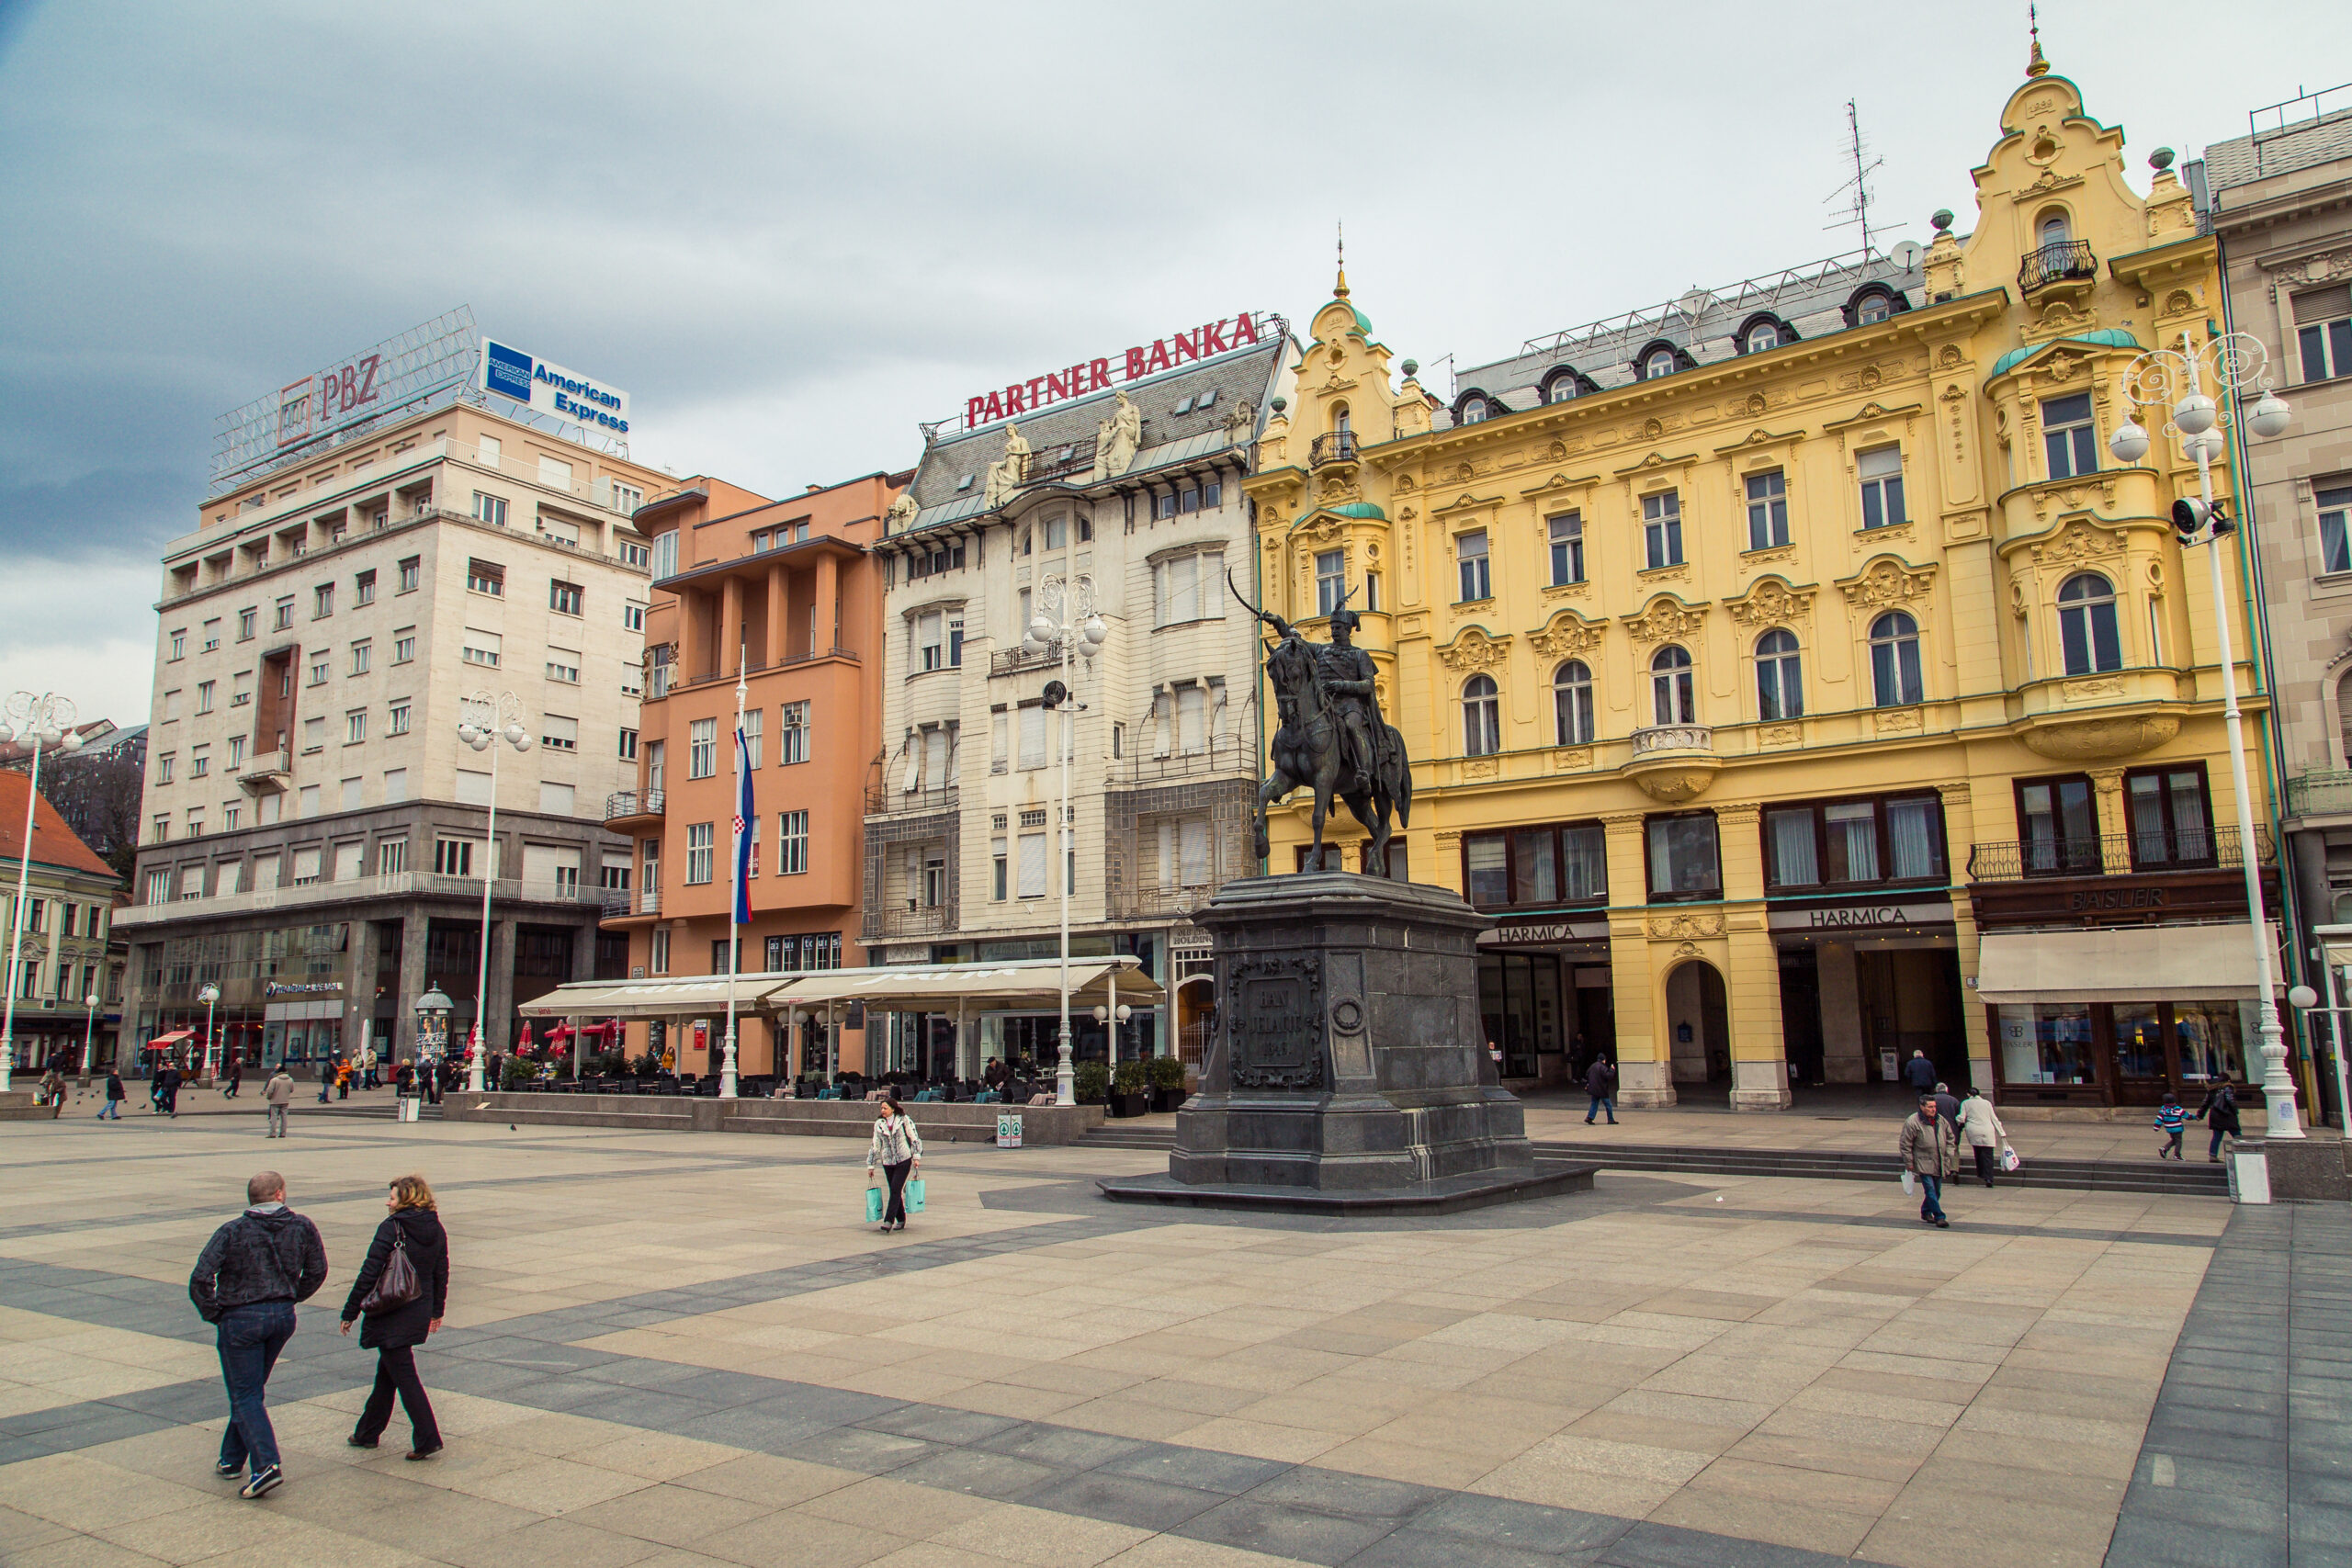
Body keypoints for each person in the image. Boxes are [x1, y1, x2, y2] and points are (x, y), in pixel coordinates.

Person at [187, 1170, 328, 1499]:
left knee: (245, 1393)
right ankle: (232, 1458)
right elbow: (318, 1271)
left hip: (240, 1317)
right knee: (250, 1389)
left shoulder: (232, 1230)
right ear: (279, 1194)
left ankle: (267, 1465)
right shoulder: (302, 1225)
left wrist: (216, 1313)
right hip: (281, 1316)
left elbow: (200, 1277)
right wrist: (291, 1296)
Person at [339, 1174, 447, 1461]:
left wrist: (351, 1311)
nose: (388, 1202)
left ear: (407, 1198)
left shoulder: (393, 1227)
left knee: (405, 1376)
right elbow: (441, 1271)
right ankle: (367, 1432)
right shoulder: (435, 1226)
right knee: (388, 1372)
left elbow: (370, 1270)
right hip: (418, 1308)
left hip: (391, 1310)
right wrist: (436, 1310)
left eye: (392, 1197)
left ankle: (428, 1437)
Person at [1898, 1092, 1959, 1229]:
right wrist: (1909, 1162)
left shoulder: (1940, 1120)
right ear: (1922, 1107)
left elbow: (1950, 1138)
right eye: (1930, 1107)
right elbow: (1905, 1144)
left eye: (1934, 1106)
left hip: (1939, 1161)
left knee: (1936, 1191)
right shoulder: (1913, 1122)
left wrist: (1949, 1153)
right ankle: (1940, 1216)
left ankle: (1926, 1211)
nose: (1933, 1109)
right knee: (1930, 1189)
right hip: (1923, 1161)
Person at [866, 1093, 922, 1235]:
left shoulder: (903, 1120)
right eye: (881, 1109)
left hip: (903, 1160)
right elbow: (875, 1144)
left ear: (893, 1109)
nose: (883, 1111)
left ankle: (888, 1220)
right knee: (894, 1190)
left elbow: (914, 1137)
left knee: (896, 1189)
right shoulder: (879, 1124)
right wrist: (871, 1164)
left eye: (885, 1108)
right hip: (888, 1161)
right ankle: (901, 1218)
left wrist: (916, 1157)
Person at [1957, 1087, 2007, 1187]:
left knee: (1978, 1152)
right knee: (1988, 1155)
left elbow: (1961, 1118)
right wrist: (2002, 1133)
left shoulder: (1966, 1103)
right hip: (1987, 1130)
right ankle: (1989, 1178)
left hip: (1973, 1129)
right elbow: (1994, 1119)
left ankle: (1981, 1173)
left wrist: (1956, 1119)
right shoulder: (1987, 1103)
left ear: (1968, 1094)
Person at [2197, 1077, 2243, 1164]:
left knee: (2217, 1136)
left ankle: (2213, 1155)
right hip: (2227, 1115)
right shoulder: (2228, 1088)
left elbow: (2205, 1103)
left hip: (2215, 1115)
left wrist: (2200, 1115)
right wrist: (2235, 1110)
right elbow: (2230, 1100)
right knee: (2237, 1135)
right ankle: (2244, 1151)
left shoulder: (2211, 1090)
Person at [1584, 1055, 1618, 1125]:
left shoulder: (1593, 1066)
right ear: (1604, 1060)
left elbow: (1587, 1074)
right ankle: (1610, 1119)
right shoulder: (1602, 1067)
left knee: (1594, 1103)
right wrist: (1612, 1070)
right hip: (1601, 1089)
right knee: (1608, 1105)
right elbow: (1609, 1076)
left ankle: (1590, 1117)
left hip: (1594, 1089)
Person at [263, 1066, 295, 1139]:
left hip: (275, 1101)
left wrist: (269, 1097)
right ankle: (283, 1133)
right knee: (284, 1117)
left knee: (274, 1117)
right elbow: (292, 1090)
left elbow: (270, 1091)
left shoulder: (274, 1080)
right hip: (285, 1101)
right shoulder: (290, 1079)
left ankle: (272, 1133)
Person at [2154, 1093, 2188, 1160]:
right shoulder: (2178, 1109)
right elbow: (2187, 1115)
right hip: (2177, 1128)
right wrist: (2195, 1117)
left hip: (2169, 1128)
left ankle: (2164, 1149)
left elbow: (2159, 1119)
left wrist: (2156, 1127)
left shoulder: (2163, 1110)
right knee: (2178, 1141)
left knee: (2174, 1140)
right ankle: (2177, 1155)